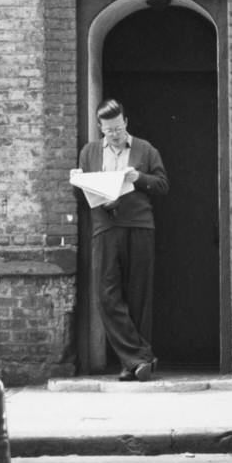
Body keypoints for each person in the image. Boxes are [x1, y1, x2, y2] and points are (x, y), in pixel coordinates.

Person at [71, 98, 169, 381]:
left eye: (118, 128)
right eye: (108, 130)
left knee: (139, 294)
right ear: (100, 128)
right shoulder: (89, 153)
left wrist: (138, 177)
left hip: (139, 226)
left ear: (125, 122)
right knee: (106, 295)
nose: (115, 134)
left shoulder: (145, 149)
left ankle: (131, 364)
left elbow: (163, 185)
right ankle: (141, 357)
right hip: (104, 228)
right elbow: (81, 197)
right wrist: (77, 182)